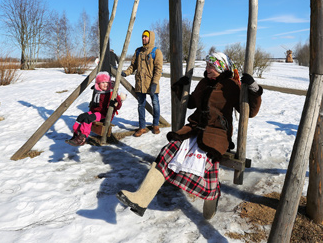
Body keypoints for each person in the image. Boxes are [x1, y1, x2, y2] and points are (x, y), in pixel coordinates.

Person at [116, 52, 263, 219]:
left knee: (207, 165)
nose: (207, 69)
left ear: (221, 68)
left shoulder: (231, 86)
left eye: (211, 66)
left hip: (216, 133)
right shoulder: (203, 82)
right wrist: (181, 87)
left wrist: (254, 90)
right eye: (207, 65)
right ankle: (140, 199)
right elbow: (192, 103)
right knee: (168, 152)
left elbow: (249, 111)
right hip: (193, 129)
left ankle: (212, 199)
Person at [66, 71, 125, 146]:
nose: (105, 84)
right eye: (102, 82)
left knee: (88, 118)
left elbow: (118, 105)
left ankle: (82, 138)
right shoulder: (98, 92)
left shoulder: (111, 92)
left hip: (104, 115)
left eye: (106, 82)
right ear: (98, 84)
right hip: (96, 112)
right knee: (81, 117)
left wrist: (115, 104)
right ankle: (76, 135)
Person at [122, 30, 163, 137]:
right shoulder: (138, 51)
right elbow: (133, 66)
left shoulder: (156, 52)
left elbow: (158, 69)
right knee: (141, 105)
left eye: (146, 36)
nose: (144, 38)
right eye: (143, 36)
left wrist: (154, 83)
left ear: (150, 38)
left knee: (155, 104)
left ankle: (156, 125)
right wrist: (125, 73)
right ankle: (142, 127)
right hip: (140, 84)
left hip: (152, 84)